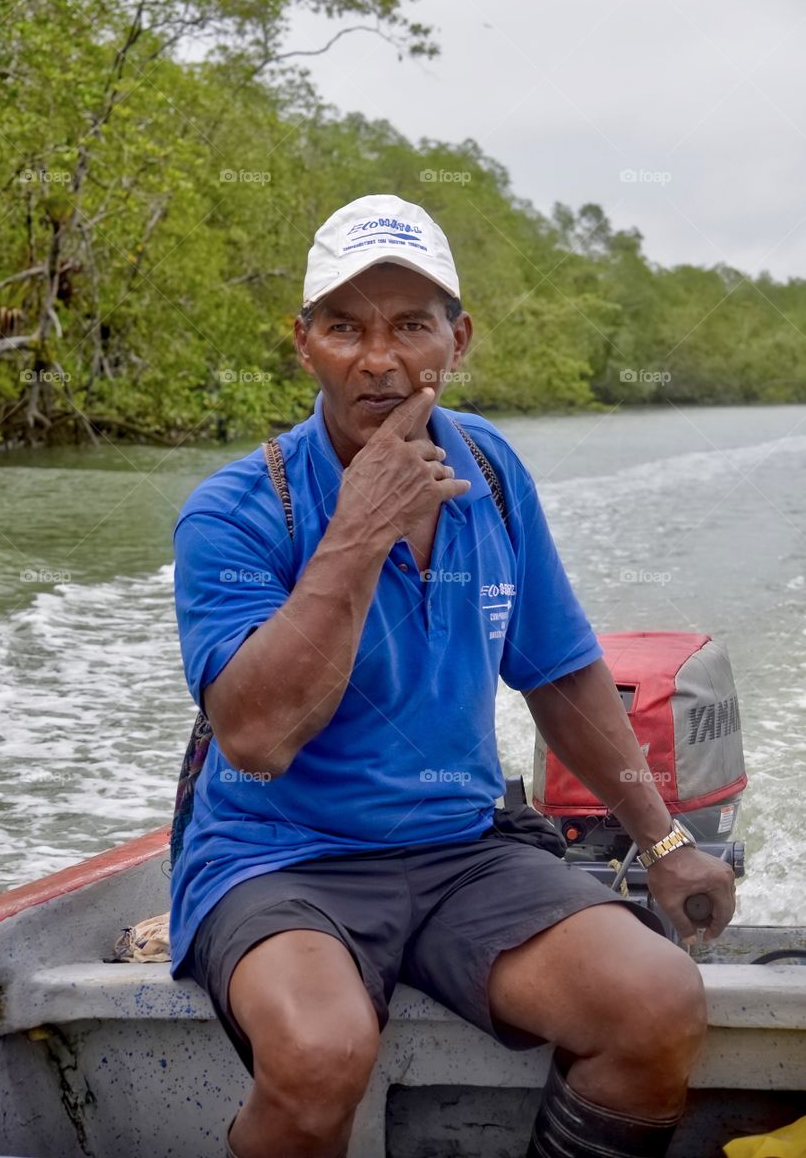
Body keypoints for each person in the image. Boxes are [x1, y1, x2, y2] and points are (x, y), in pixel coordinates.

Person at [169, 194, 736, 1158]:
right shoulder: (236, 510)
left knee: (656, 1002)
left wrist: (666, 838)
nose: (378, 358)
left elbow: (560, 673)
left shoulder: (492, 473)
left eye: (410, 326)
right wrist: (358, 530)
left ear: (457, 340)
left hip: (461, 850)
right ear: (303, 344)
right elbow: (255, 740)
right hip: (279, 859)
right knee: (318, 1055)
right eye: (345, 327)